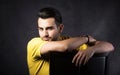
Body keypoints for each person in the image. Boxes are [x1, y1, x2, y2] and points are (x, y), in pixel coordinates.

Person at [27, 7, 114, 75]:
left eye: (49, 28)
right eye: (41, 29)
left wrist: (92, 50)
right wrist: (86, 38)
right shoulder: (34, 43)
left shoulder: (71, 42)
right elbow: (65, 47)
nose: (44, 34)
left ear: (60, 28)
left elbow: (109, 46)